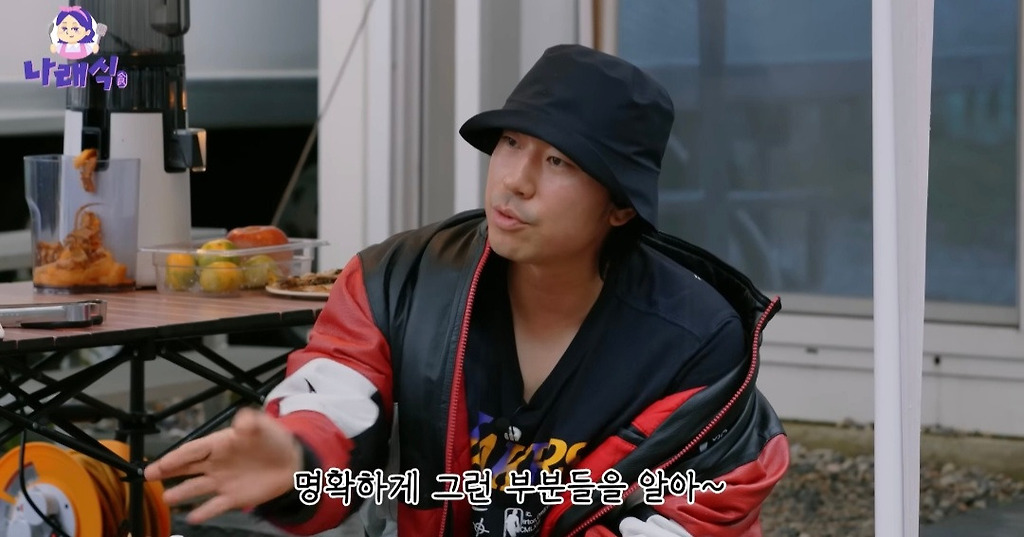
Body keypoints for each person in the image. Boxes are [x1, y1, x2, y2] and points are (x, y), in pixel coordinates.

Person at [144, 44, 789, 537]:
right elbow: (335, 400)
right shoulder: (398, 280)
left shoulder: (695, 339)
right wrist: (298, 457)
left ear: (621, 207)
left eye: (558, 161)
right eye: (511, 143)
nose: (515, 180)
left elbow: (694, 510)